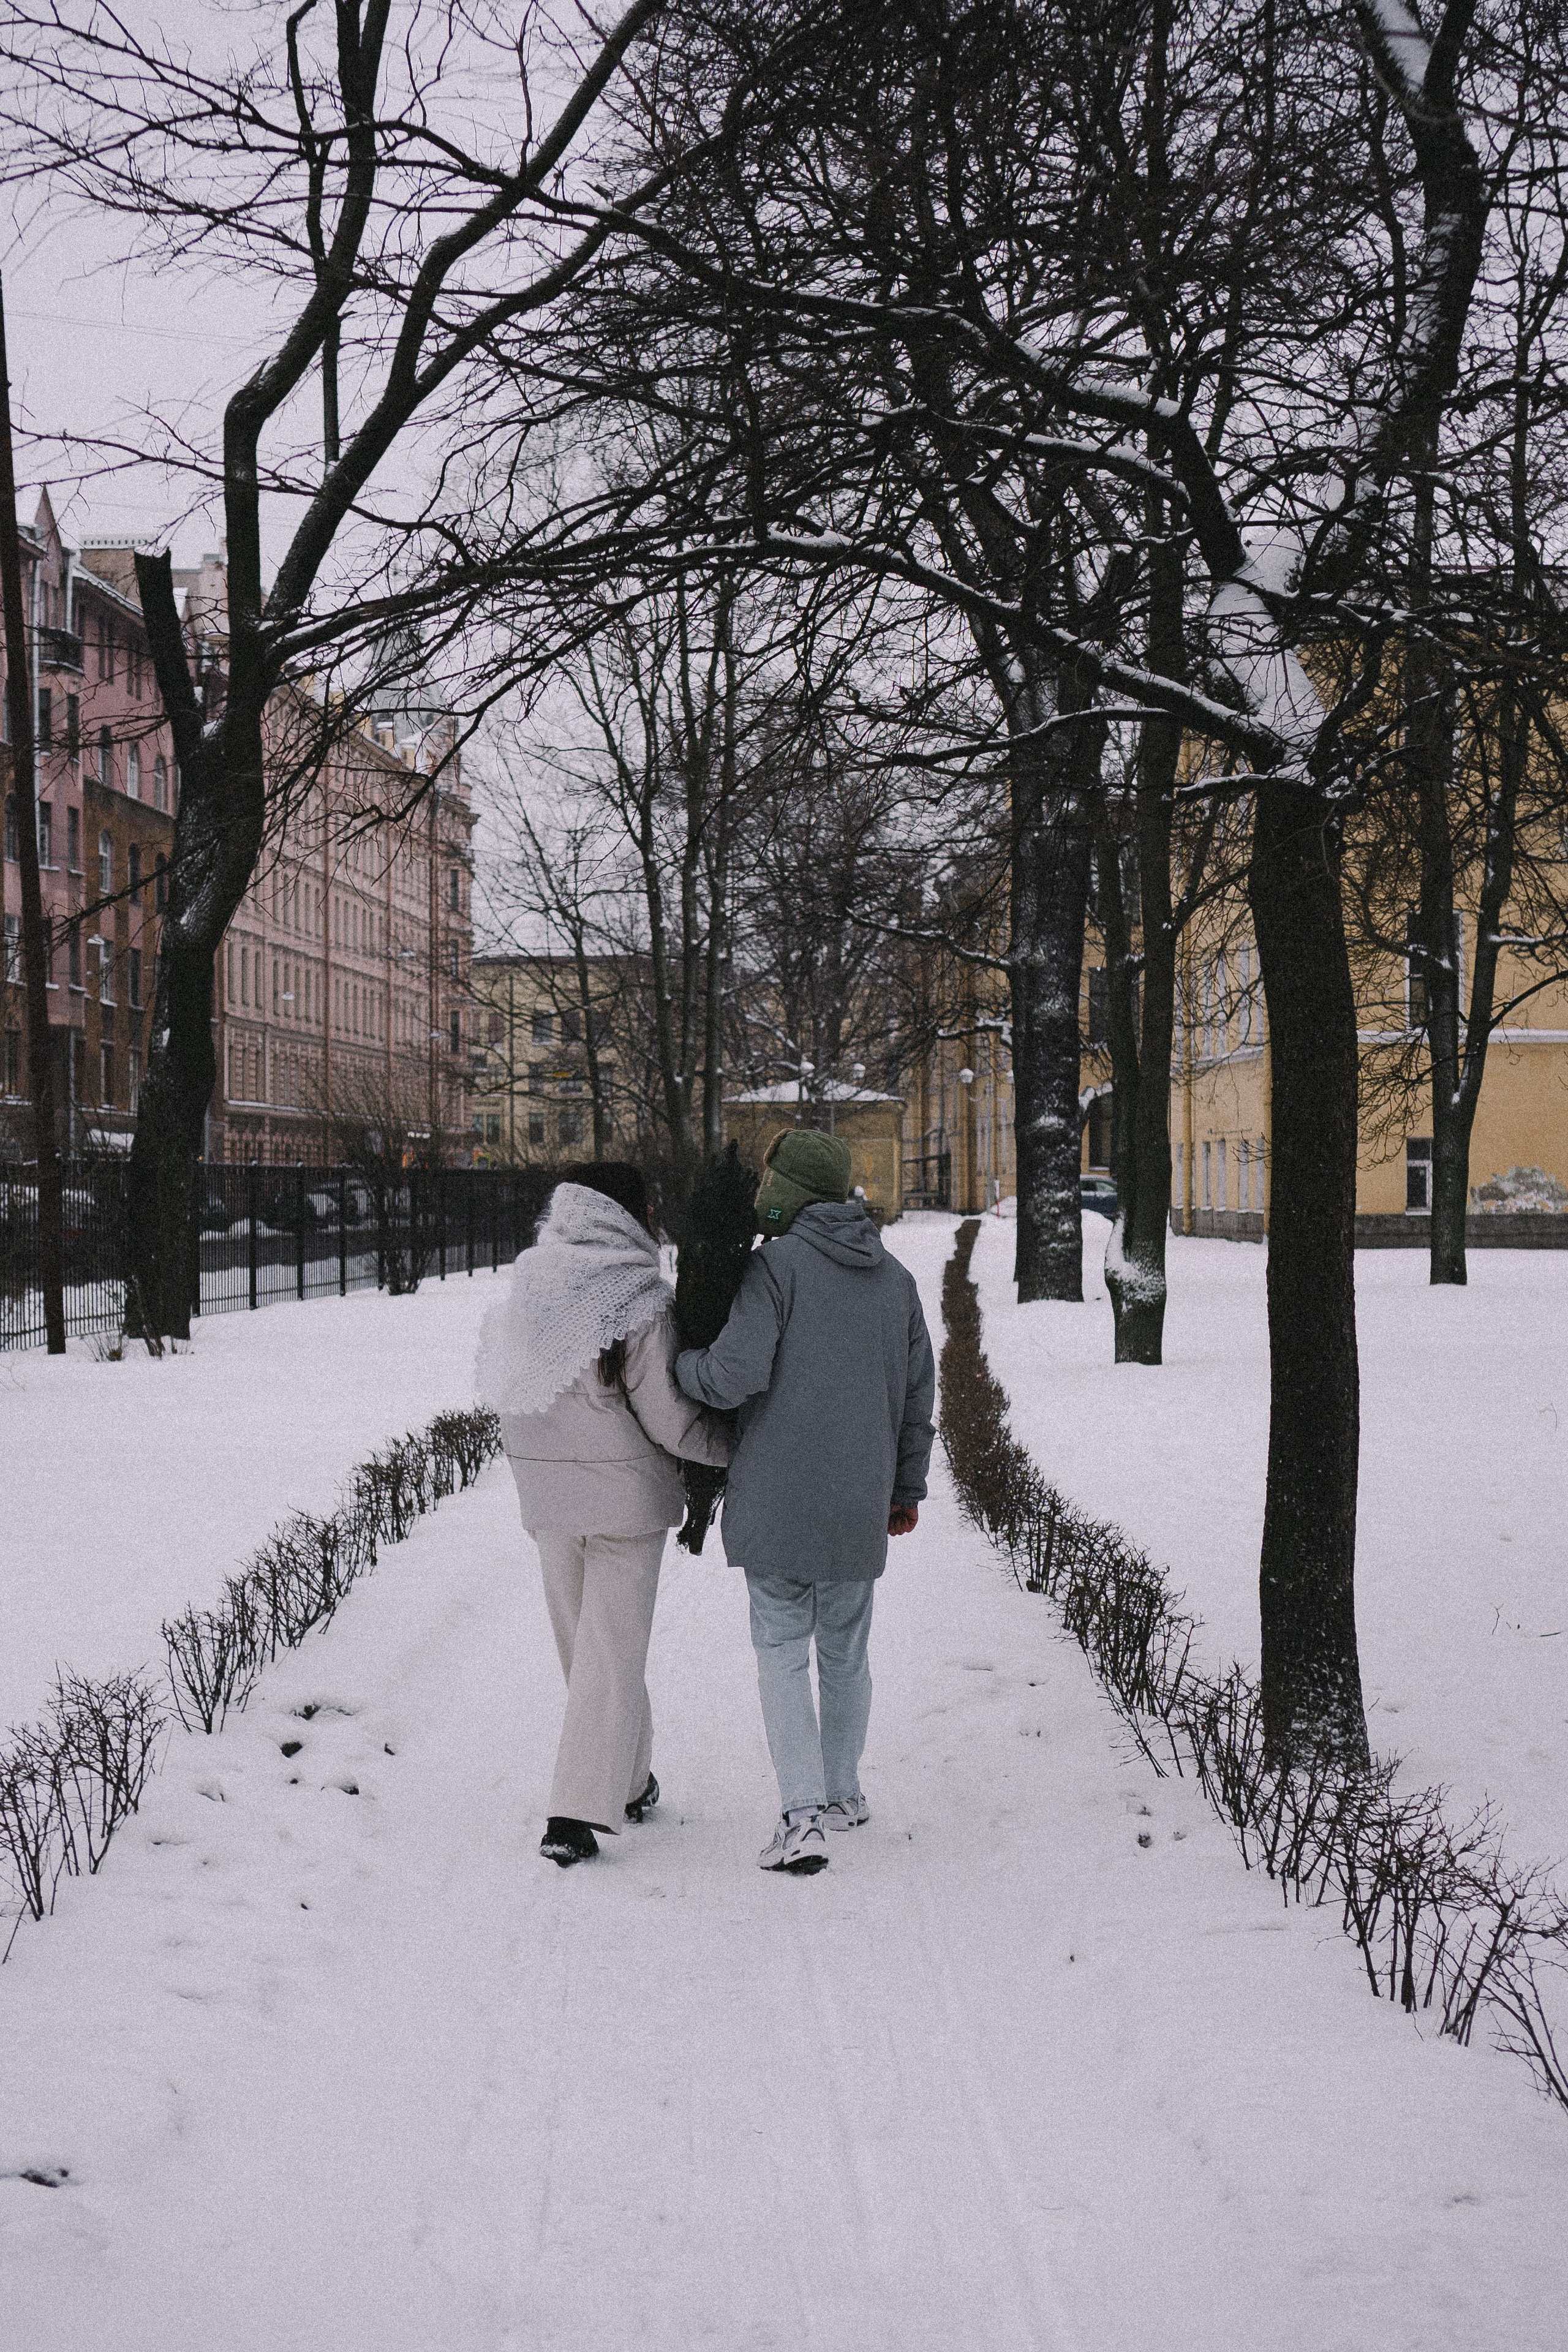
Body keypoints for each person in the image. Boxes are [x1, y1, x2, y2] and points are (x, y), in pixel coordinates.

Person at [675, 1129, 935, 1875]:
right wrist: (905, 1489)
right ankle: (842, 1791)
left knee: (782, 1653)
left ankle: (800, 1817)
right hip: (859, 1500)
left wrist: (681, 1365)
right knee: (847, 1653)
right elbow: (917, 1400)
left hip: (778, 1501)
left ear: (787, 1190)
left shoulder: (776, 1267)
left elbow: (732, 1376)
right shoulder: (896, 1281)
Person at [476, 1163, 731, 1868]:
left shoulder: (530, 1281)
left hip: (548, 1499)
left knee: (589, 1653)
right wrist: (728, 1450)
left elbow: (506, 1390)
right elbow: (669, 1417)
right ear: (624, 1212)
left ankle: (630, 1779)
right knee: (611, 1653)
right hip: (623, 1503)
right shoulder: (636, 1298)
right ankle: (573, 1814)